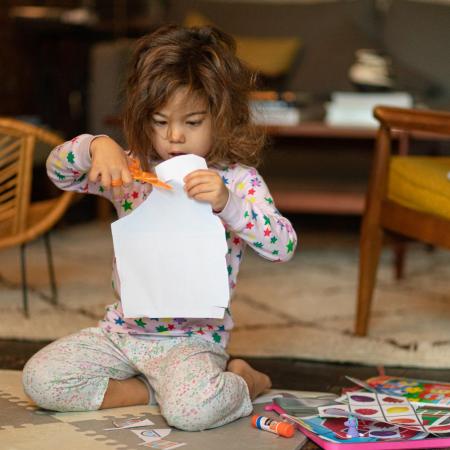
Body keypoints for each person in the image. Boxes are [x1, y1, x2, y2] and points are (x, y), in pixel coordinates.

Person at [22, 25, 297, 431]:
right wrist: (96, 146)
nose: (174, 136)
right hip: (122, 332)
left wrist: (229, 205)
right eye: (160, 120)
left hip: (194, 342)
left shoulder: (237, 180)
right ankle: (147, 390)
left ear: (221, 118)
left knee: (192, 413)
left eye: (192, 121)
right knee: (40, 380)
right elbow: (58, 172)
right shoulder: (130, 171)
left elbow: (284, 246)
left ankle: (244, 379)